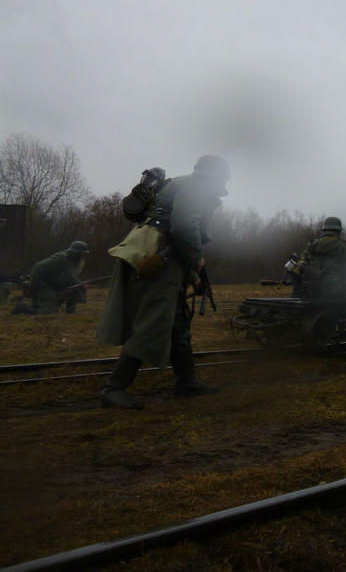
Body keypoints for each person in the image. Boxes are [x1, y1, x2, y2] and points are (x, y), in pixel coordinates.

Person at [96, 155, 230, 409]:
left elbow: (176, 237)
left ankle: (187, 381)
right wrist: (197, 259)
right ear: (214, 177)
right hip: (157, 259)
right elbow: (183, 227)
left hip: (159, 256)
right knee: (153, 322)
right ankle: (114, 388)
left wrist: (193, 277)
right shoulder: (195, 187)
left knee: (177, 321)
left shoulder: (184, 184)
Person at [17, 241, 90, 314]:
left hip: (51, 284)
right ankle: (22, 308)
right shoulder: (62, 259)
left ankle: (70, 312)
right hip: (41, 283)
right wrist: (80, 284)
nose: (81, 256)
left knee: (75, 288)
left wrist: (78, 285)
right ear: (75, 253)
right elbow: (69, 277)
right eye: (80, 254)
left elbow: (68, 278)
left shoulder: (72, 261)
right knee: (49, 311)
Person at [291, 216, 346, 298]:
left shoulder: (312, 245)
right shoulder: (344, 246)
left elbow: (300, 266)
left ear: (324, 230)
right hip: (336, 294)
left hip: (311, 292)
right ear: (338, 231)